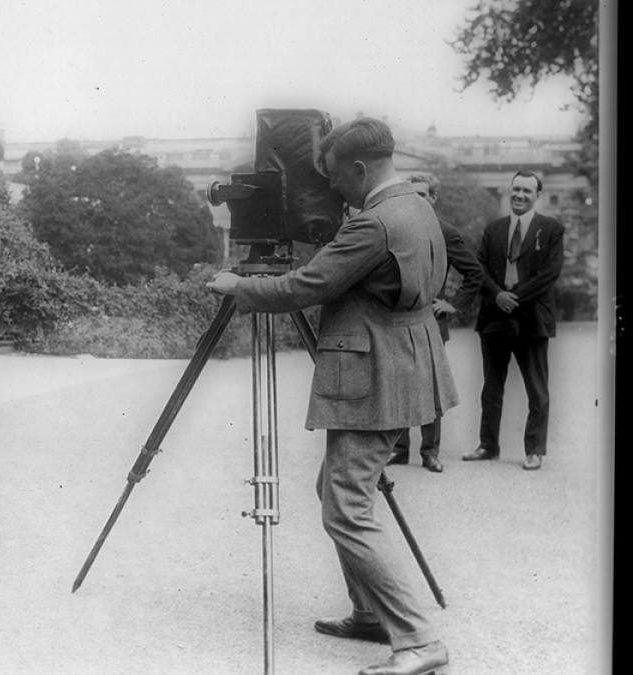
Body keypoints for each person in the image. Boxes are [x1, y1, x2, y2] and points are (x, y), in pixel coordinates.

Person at [207, 117, 454, 675]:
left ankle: (417, 640)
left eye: (338, 176)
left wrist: (238, 286)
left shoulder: (372, 224)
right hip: (405, 364)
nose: (334, 188)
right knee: (338, 487)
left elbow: (306, 286)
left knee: (344, 508)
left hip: (374, 374)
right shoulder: (416, 205)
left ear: (362, 168)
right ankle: (370, 614)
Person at [462, 171, 564, 471]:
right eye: (516, 189)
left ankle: (534, 450)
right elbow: (478, 268)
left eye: (527, 191)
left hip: (532, 319)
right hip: (495, 317)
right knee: (491, 387)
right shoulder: (493, 229)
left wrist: (513, 297)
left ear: (537, 196)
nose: (520, 195)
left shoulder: (551, 229)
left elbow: (549, 274)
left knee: (537, 388)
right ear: (509, 192)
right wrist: (497, 296)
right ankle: (487, 446)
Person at [386, 172, 484, 473]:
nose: (417, 200)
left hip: (431, 321)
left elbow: (474, 274)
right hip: (398, 323)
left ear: (433, 198)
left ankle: (430, 451)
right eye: (411, 194)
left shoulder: (445, 231)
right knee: (399, 385)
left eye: (423, 194)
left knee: (430, 389)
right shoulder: (394, 229)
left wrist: (452, 305)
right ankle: (399, 450)